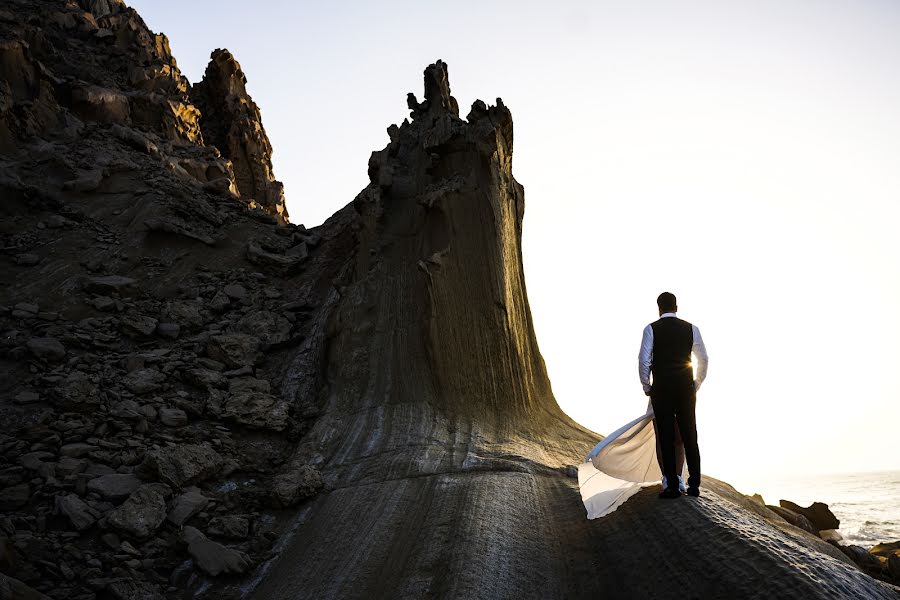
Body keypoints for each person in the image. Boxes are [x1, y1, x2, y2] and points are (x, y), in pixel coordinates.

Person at [639, 291, 708, 499]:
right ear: (676, 308)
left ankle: (671, 485)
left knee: (666, 436)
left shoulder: (651, 329)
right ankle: (694, 485)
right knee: (689, 435)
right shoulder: (691, 329)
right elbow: (703, 359)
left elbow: (644, 361)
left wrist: (647, 386)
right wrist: (695, 383)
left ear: (659, 308)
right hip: (686, 389)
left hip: (661, 389)